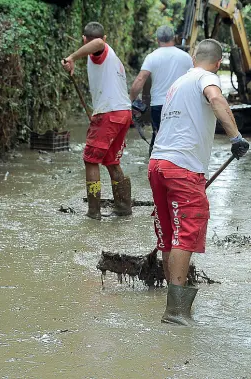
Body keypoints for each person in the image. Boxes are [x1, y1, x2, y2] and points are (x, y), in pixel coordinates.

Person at [148, 39, 249, 326]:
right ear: (218, 63)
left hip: (158, 165)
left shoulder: (178, 83)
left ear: (194, 58)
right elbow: (216, 99)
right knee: (186, 233)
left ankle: (174, 299)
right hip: (183, 169)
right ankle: (176, 312)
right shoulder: (208, 78)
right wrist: (236, 137)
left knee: (170, 234)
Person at [62, 22, 132, 220]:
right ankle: (123, 207)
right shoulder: (112, 56)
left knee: (90, 160)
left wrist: (72, 57)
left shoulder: (100, 51)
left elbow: (97, 42)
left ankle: (93, 212)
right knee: (111, 161)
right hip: (122, 113)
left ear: (84, 39)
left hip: (109, 114)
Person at [130, 25, 193, 154]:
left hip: (158, 105)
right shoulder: (186, 57)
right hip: (181, 105)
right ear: (174, 38)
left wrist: (129, 100)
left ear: (157, 40)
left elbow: (141, 79)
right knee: (179, 138)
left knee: (158, 137)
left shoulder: (152, 57)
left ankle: (155, 167)